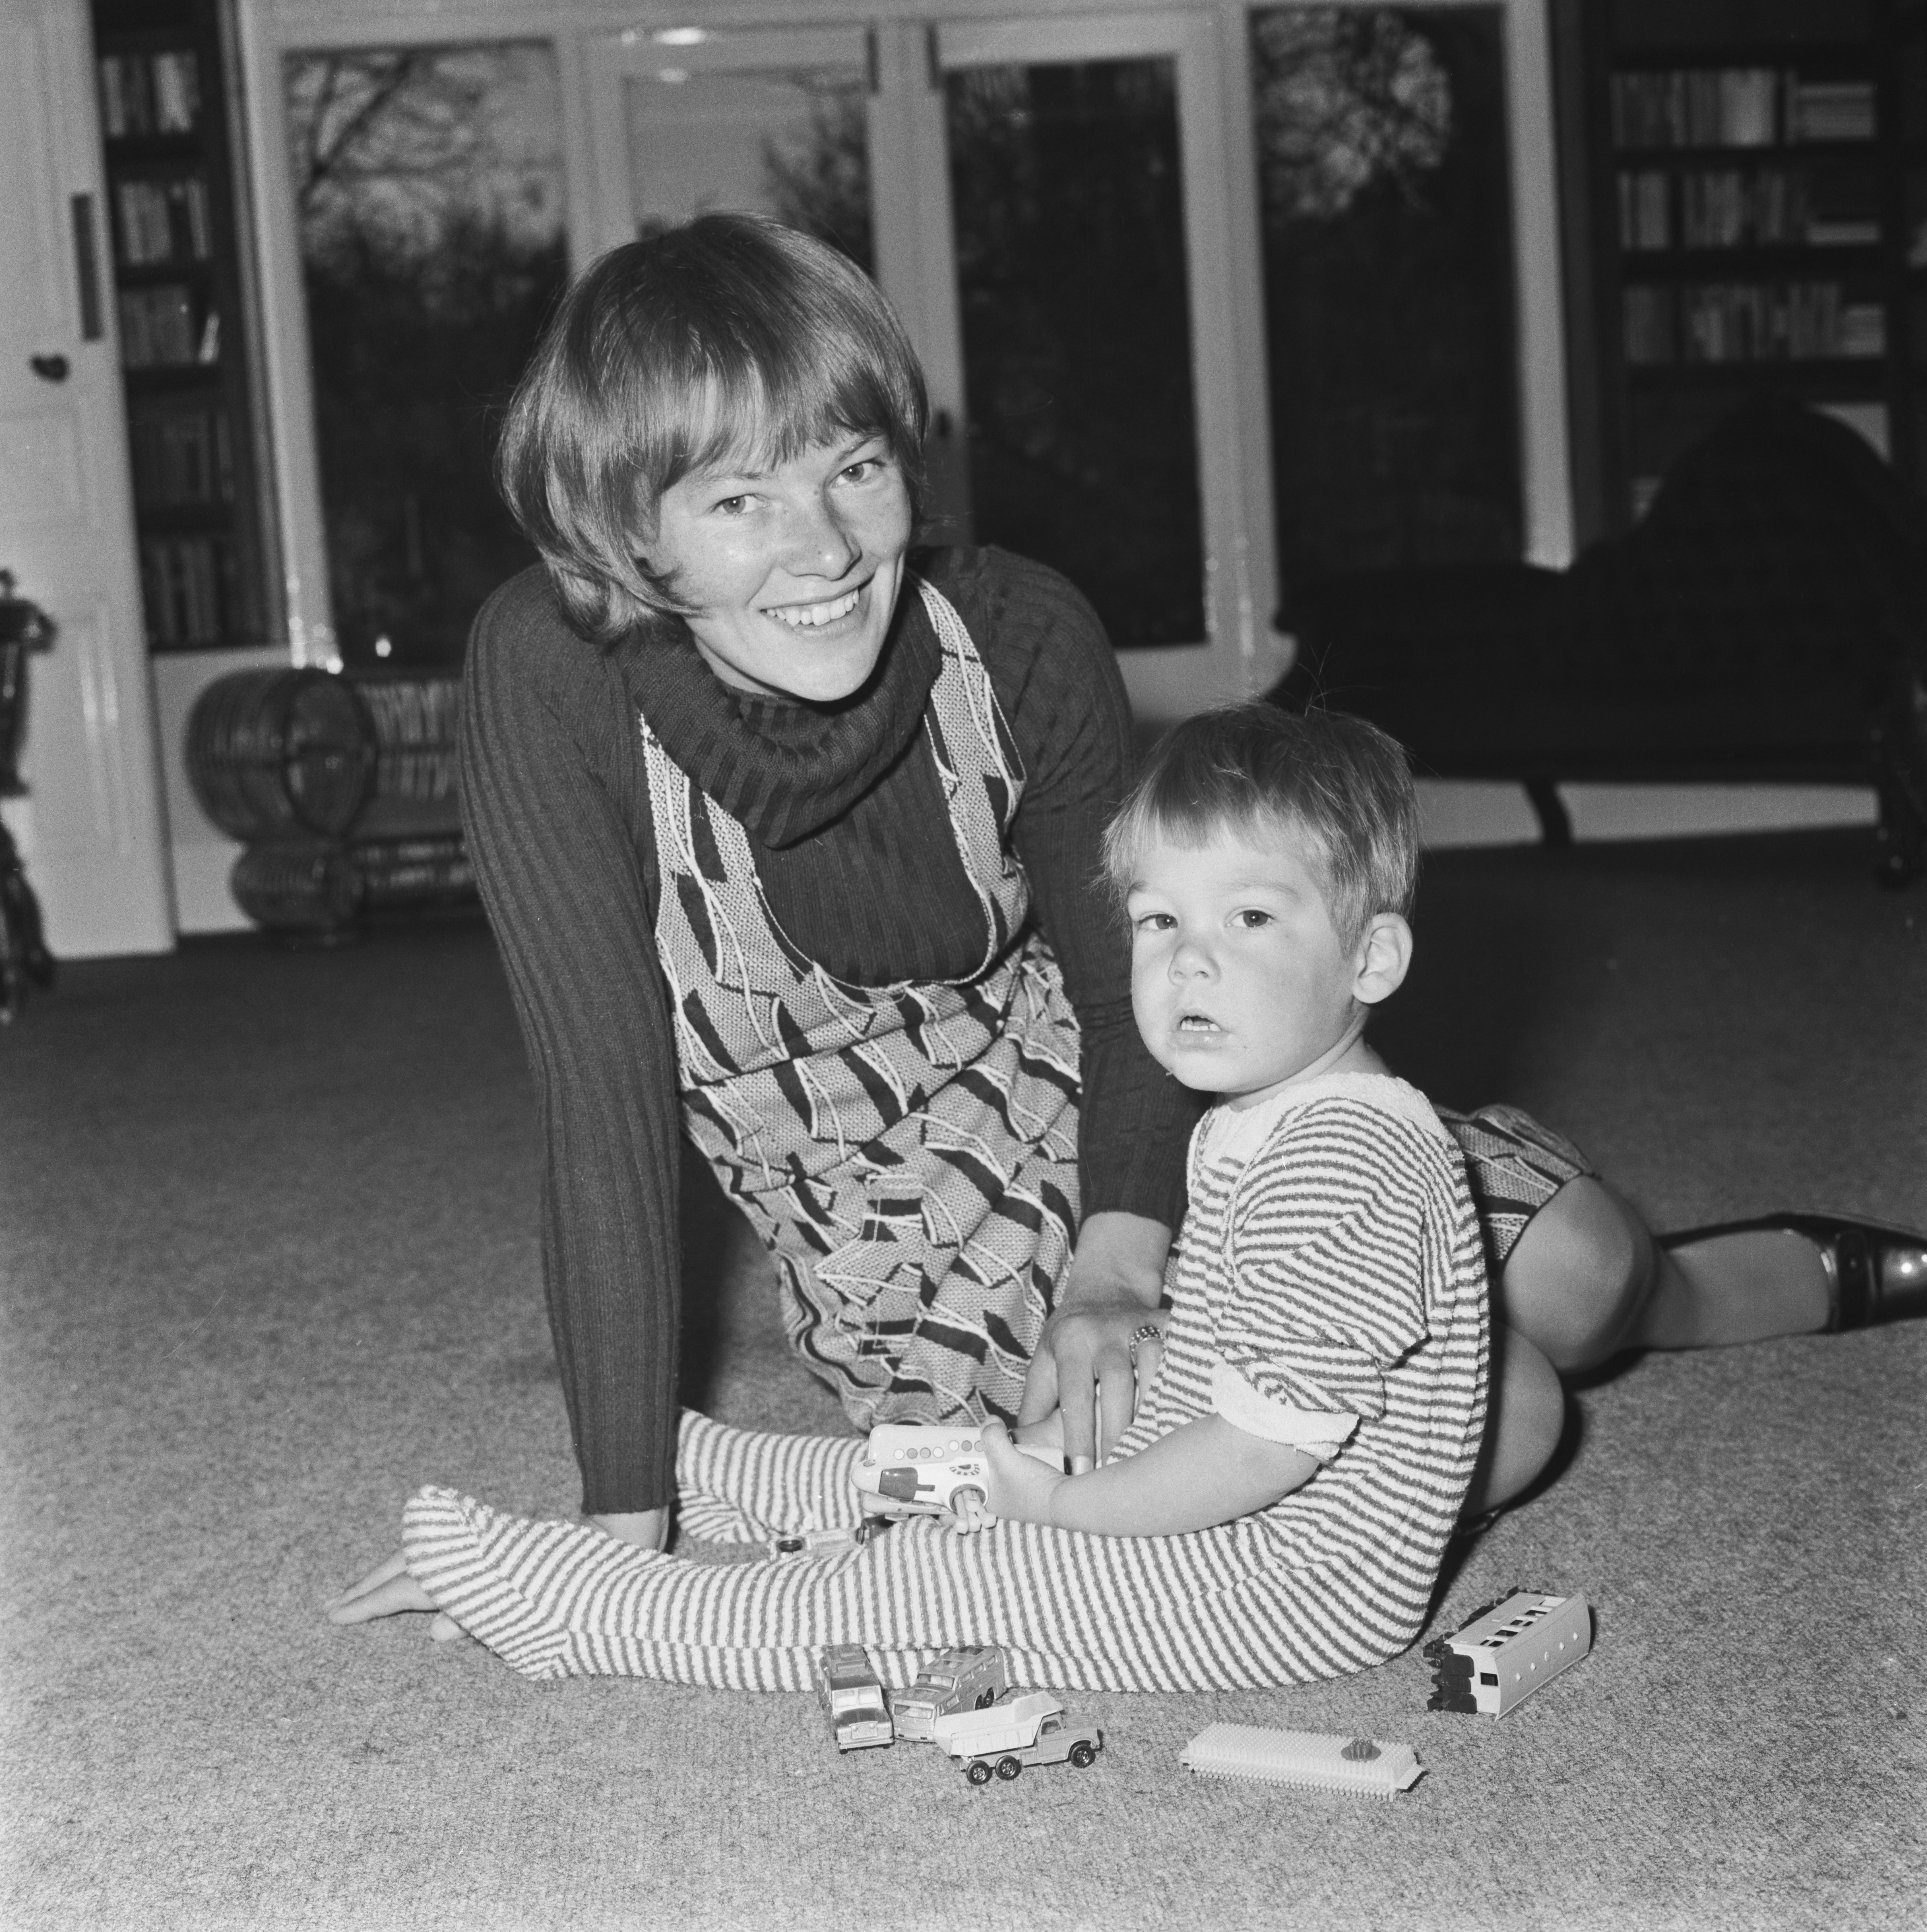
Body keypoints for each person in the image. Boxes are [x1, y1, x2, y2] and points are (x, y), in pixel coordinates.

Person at [331, 212, 1927, 1642]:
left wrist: (1124, 1248)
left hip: (1134, 1108)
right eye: (741, 497)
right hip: (895, 1227)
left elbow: (1125, 981)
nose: (823, 552)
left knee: (1586, 1273)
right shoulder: (550, 670)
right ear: (630, 526)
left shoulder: (1015, 625)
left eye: (854, 468)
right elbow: (604, 1123)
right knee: (1502, 1420)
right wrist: (625, 1546)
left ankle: (1710, 1290)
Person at [335, 704, 1487, 1690]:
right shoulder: (1269, 1112)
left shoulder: (1342, 1162)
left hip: (1283, 1581)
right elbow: (1217, 1363)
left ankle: (592, 1617)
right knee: (964, 1465)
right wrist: (1058, 1464)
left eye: (1248, 918)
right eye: (1156, 921)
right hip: (1210, 1497)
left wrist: (1067, 1507)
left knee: (924, 1589)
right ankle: (769, 1479)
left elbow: (1259, 1453)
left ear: (1371, 961)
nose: (1187, 961)